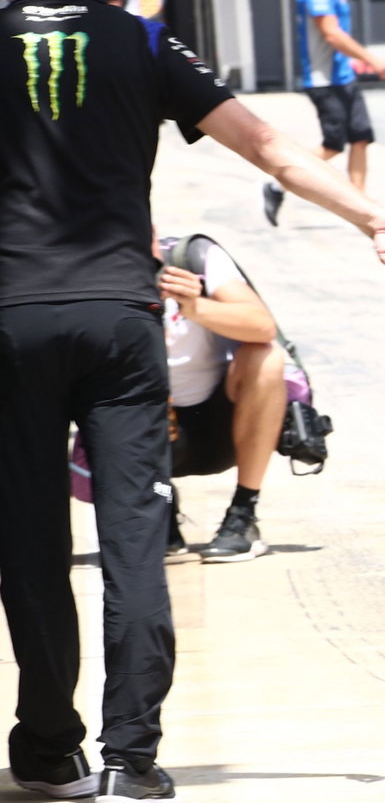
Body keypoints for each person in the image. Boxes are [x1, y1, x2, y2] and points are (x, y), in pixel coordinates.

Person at [0, 0, 385, 803]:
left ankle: (44, 748)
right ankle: (129, 762)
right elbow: (268, 147)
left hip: (11, 322)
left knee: (27, 544)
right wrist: (367, 215)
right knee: (134, 542)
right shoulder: (145, 41)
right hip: (118, 320)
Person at [156, 232, 287, 563]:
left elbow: (262, 326)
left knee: (265, 358)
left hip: (217, 425)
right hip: (141, 427)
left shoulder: (190, 256)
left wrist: (195, 305)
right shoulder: (88, 262)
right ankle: (160, 504)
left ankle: (244, 512)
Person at [263, 0, 385, 225]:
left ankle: (361, 207)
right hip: (324, 80)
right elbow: (331, 35)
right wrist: (372, 59)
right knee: (333, 145)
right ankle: (275, 185)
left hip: (343, 77)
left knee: (360, 138)